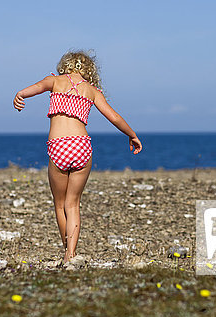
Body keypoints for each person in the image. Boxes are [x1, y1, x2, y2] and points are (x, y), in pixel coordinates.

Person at [12, 50, 142, 268]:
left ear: (65, 65)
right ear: (90, 70)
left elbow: (32, 90)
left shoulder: (53, 81)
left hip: (59, 146)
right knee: (73, 204)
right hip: (81, 146)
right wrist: (132, 135)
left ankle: (67, 252)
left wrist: (20, 95)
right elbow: (114, 117)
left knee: (60, 203)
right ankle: (71, 253)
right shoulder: (92, 91)